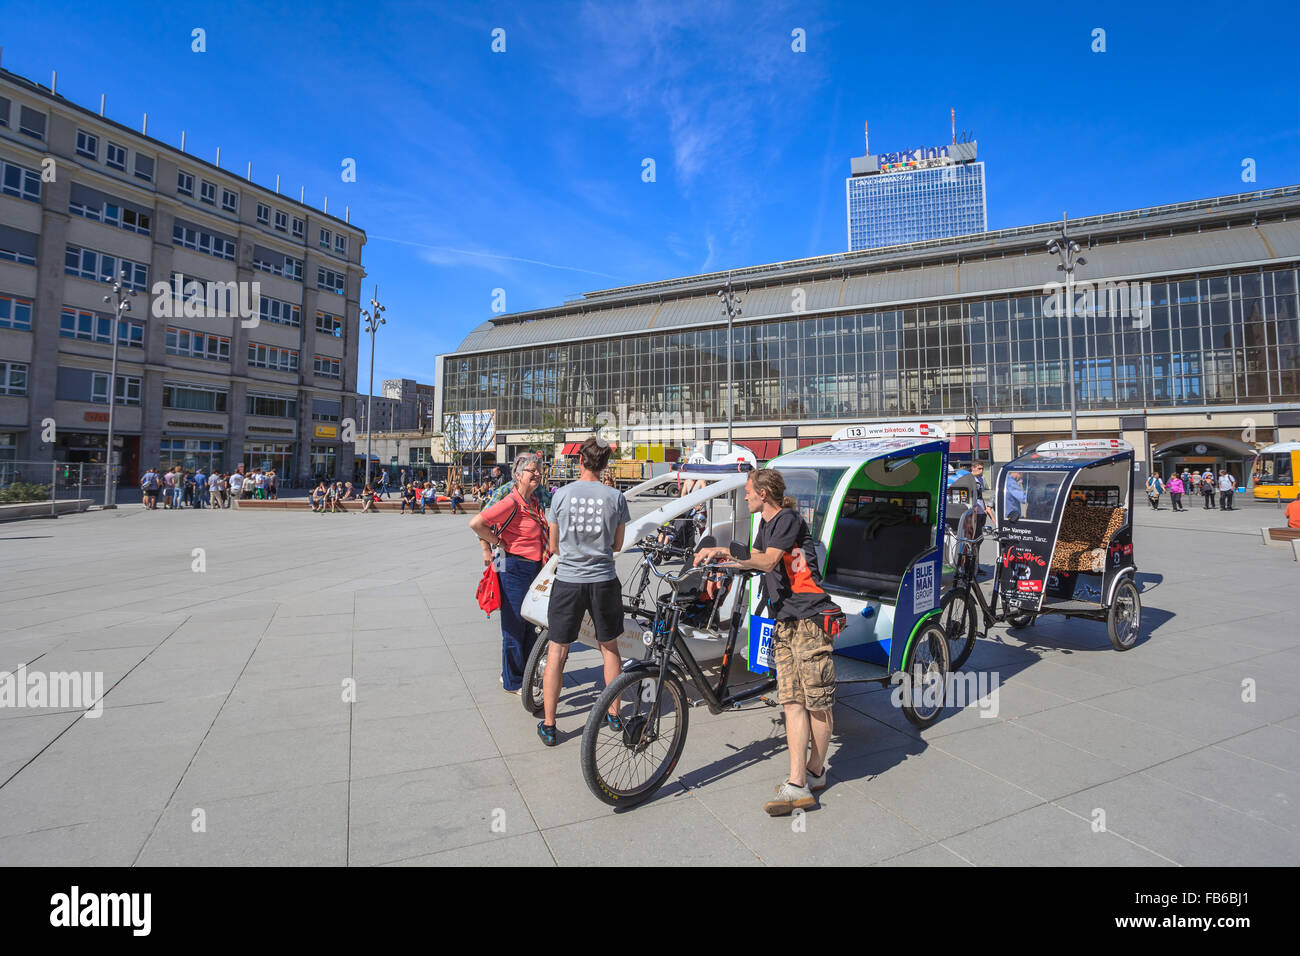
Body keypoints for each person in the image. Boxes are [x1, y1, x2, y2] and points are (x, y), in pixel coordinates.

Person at [695, 467, 843, 815]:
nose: (745, 496)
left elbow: (768, 559)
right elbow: (754, 563)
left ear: (764, 494)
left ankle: (815, 770)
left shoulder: (788, 518)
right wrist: (720, 570)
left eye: (748, 491)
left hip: (809, 618)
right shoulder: (765, 526)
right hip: (785, 620)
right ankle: (797, 784)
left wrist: (723, 551)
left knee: (816, 702)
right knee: (792, 701)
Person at [537, 439, 630, 747]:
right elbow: (618, 545)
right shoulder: (616, 497)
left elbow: (553, 546)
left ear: (580, 462)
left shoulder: (561, 495)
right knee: (609, 648)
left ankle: (550, 724)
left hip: (569, 581)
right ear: (605, 466)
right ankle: (614, 714)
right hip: (603, 579)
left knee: (557, 652)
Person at [470, 453, 550, 697]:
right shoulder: (511, 500)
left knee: (530, 624)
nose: (536, 474)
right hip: (513, 567)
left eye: (538, 470)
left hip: (533, 568)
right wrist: (495, 543)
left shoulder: (533, 500)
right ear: (518, 475)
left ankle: (525, 673)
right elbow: (477, 523)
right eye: (531, 471)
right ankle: (514, 681)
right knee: (514, 625)